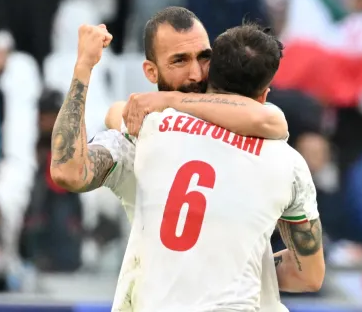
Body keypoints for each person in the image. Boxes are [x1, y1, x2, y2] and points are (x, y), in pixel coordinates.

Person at [124, 24, 324, 310]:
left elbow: (115, 117)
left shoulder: (156, 127)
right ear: (264, 95)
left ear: (207, 76)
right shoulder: (289, 163)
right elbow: (309, 276)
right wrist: (246, 264)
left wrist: (170, 99)